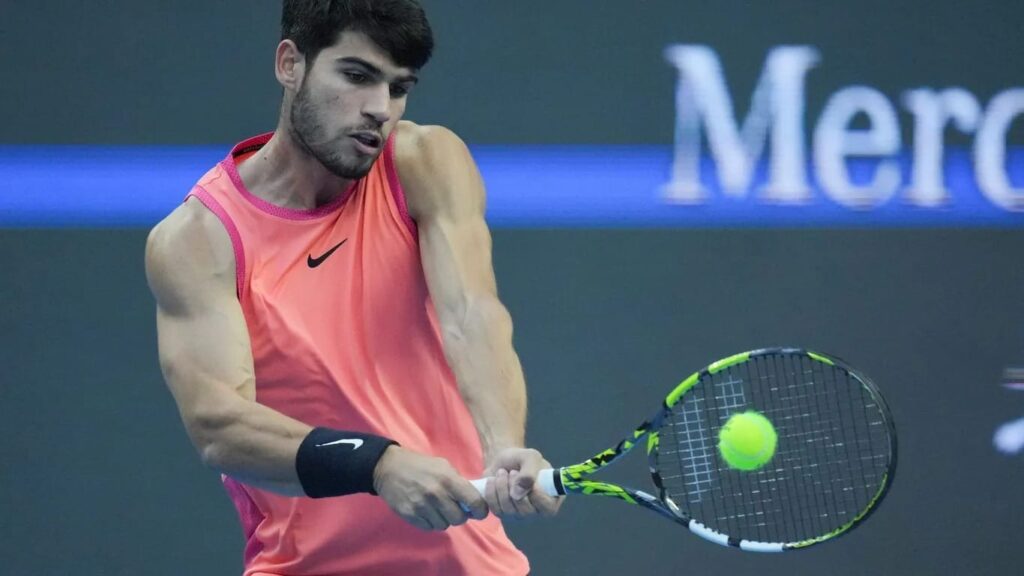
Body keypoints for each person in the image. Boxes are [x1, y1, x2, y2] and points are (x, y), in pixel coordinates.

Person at [144, 1, 560, 574]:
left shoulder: (424, 162)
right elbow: (220, 426)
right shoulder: (198, 239)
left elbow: (472, 316)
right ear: (290, 64)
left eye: (398, 88)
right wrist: (378, 464)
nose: (380, 109)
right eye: (357, 76)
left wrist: (504, 446)